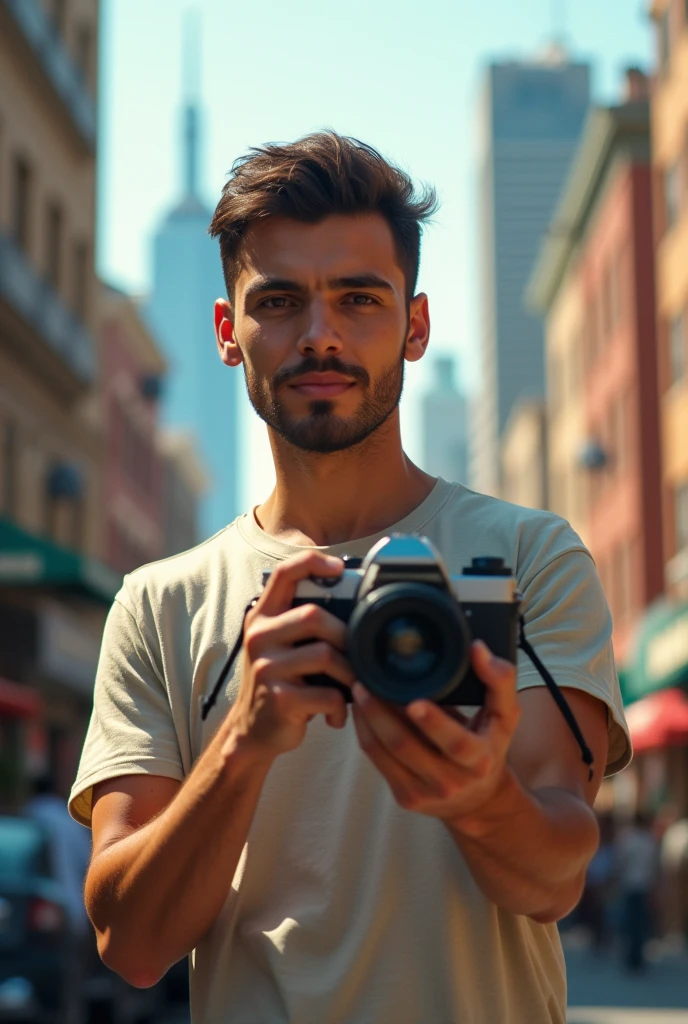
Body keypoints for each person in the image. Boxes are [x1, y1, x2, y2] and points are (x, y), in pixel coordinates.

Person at [69, 131, 632, 1024]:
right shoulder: (159, 604)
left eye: (359, 299)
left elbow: (557, 876)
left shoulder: (527, 558)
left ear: (415, 327)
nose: (321, 335)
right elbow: (132, 946)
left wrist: (481, 796)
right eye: (281, 301)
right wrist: (246, 740)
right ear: (228, 332)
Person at [615, 810, 660, 972]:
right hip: (644, 887)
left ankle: (631, 957)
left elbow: (621, 863)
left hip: (629, 886)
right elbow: (654, 868)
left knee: (630, 923)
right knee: (640, 924)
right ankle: (638, 957)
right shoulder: (649, 842)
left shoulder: (628, 840)